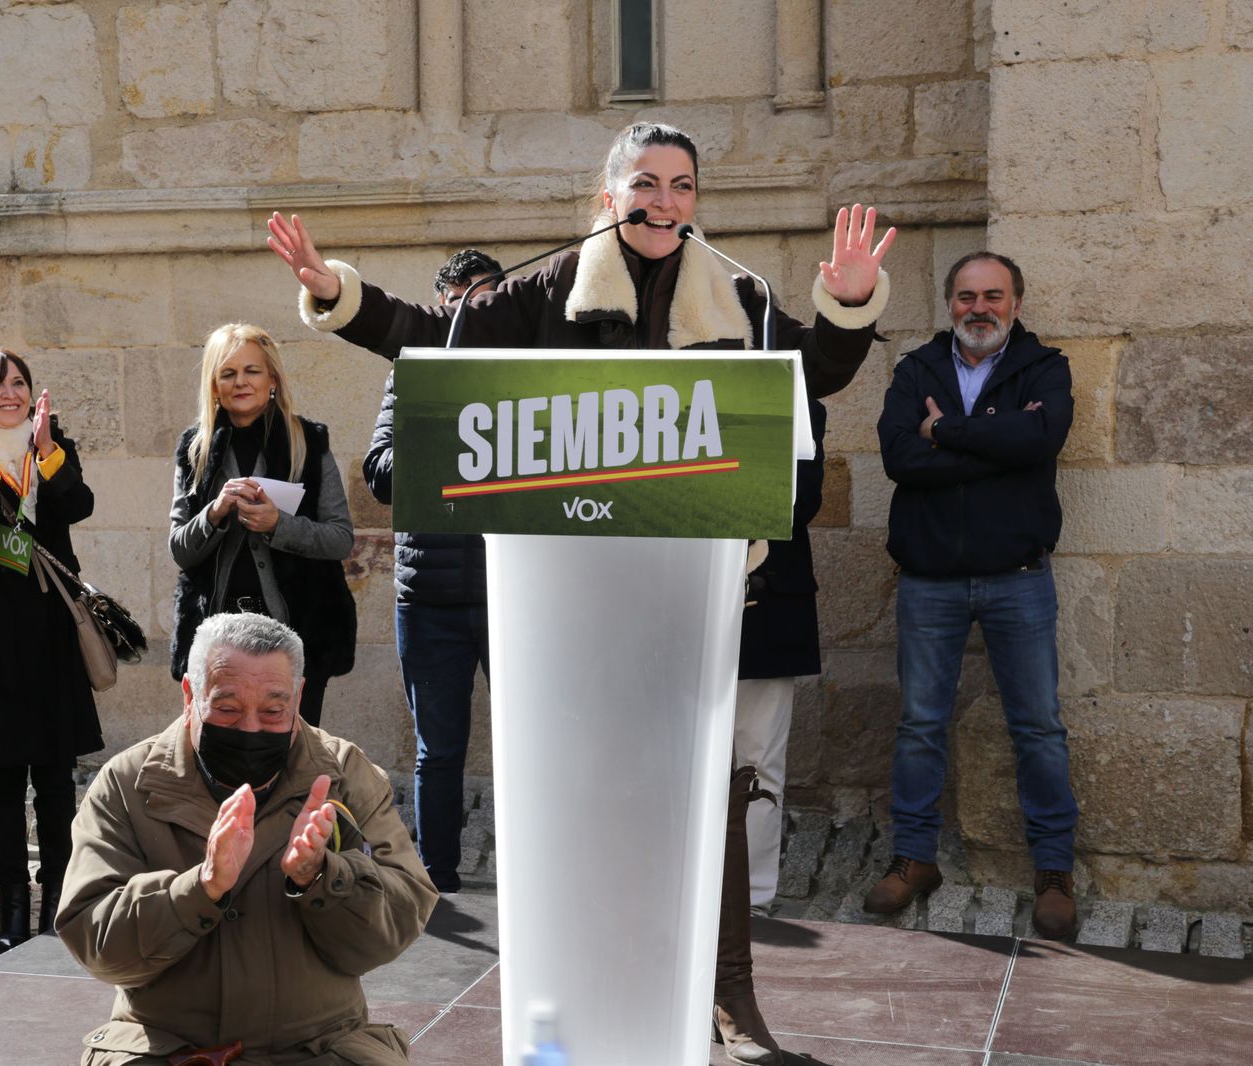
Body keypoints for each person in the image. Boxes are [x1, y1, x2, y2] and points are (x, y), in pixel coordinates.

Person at [268, 122, 896, 1066]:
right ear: (610, 197)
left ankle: (724, 999)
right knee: (594, 792)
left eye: (683, 184)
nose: (665, 200)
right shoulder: (544, 289)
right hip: (576, 595)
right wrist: (336, 294)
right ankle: (588, 992)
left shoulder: (743, 294)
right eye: (646, 182)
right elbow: (437, 342)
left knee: (706, 795)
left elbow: (813, 376)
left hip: (691, 591)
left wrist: (848, 303)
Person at [58, 612, 437, 1066]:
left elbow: (397, 922)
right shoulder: (126, 783)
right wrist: (201, 888)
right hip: (169, 1050)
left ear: (298, 698)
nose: (251, 729)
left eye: (274, 711)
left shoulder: (344, 775)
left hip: (316, 1049)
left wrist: (322, 877)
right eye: (227, 708)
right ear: (189, 695)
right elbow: (95, 943)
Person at [867, 252, 1078, 939]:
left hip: (1018, 579)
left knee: (1038, 728)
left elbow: (1039, 437)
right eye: (965, 296)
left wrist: (947, 432)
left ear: (1015, 301)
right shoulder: (917, 370)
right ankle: (914, 857)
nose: (978, 308)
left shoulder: (1043, 368)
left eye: (993, 295)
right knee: (920, 727)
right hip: (929, 582)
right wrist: (993, 448)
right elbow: (900, 456)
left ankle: (1053, 870)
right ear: (949, 303)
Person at [0, 345, 102, 954]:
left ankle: (57, 900)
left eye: (18, 383)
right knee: (4, 780)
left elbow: (76, 506)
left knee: (55, 779)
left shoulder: (53, 447)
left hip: (52, 626)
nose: (10, 393)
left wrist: (48, 452)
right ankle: (11, 906)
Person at [362, 248, 500, 895]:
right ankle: (437, 881)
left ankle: (541, 876)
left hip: (512, 594)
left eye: (487, 300)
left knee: (535, 748)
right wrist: (434, 436)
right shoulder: (409, 376)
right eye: (460, 302)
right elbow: (380, 473)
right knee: (438, 753)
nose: (472, 313)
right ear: (440, 306)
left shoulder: (524, 377)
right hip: (432, 597)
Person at [169, 323, 357, 729]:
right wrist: (214, 513)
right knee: (222, 748)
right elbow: (180, 549)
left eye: (252, 371)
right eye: (228, 373)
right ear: (214, 385)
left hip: (299, 629)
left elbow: (341, 539)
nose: (241, 382)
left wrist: (278, 525)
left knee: (292, 752)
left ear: (272, 378)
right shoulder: (194, 447)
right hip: (218, 638)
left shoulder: (308, 440)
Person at [735, 398, 828, 913]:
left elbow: (798, 500)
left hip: (768, 601)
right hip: (677, 600)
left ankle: (752, 899)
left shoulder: (795, 400)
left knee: (757, 763)